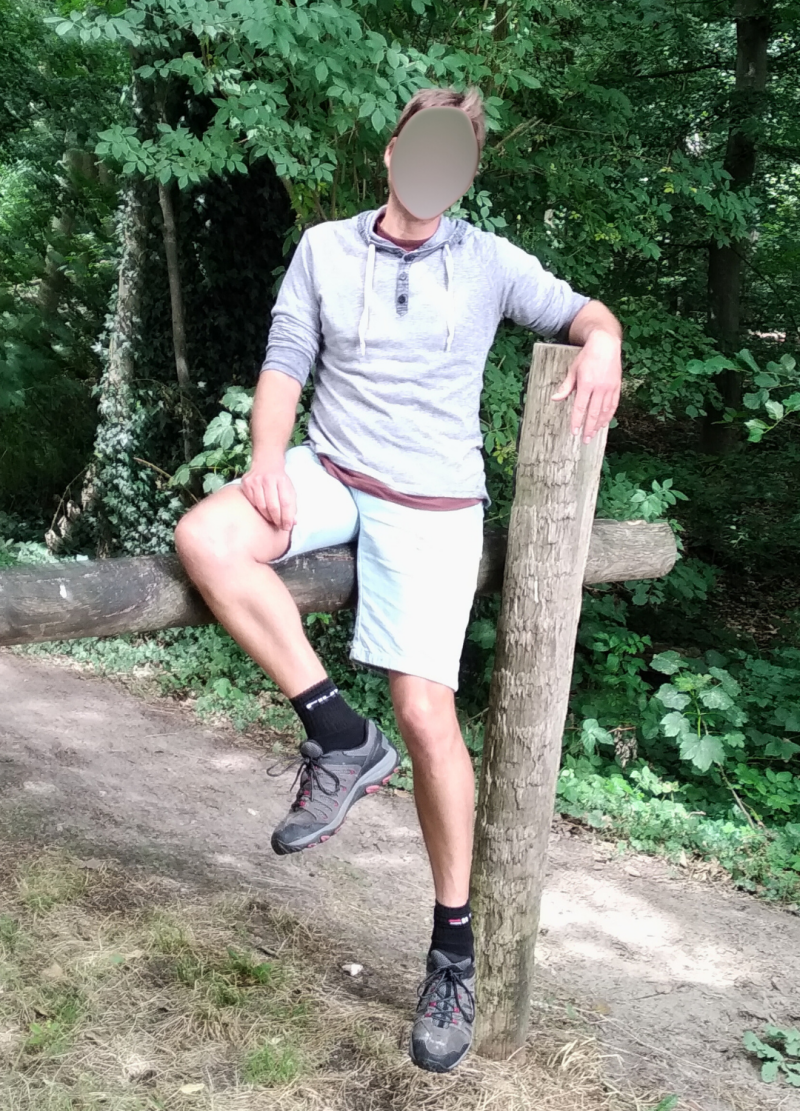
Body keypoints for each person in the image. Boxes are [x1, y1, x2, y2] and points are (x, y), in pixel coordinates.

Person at [174, 85, 622, 1073]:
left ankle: (451, 951)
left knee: (425, 714)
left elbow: (583, 310)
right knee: (207, 537)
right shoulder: (324, 249)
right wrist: (266, 455)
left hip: (434, 500)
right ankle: (339, 735)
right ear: (391, 154)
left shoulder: (490, 262)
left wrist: (607, 341)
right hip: (332, 469)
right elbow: (286, 359)